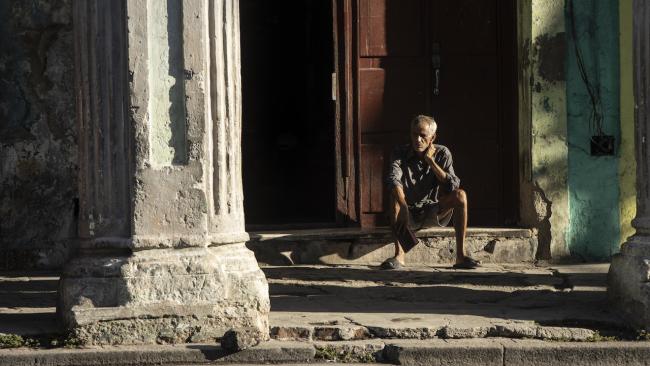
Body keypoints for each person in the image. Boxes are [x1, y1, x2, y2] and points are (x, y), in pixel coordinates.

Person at [381, 115, 479, 270]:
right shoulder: (399, 152)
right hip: (408, 212)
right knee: (394, 195)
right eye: (414, 134)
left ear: (433, 137)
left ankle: (461, 256)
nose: (417, 140)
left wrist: (431, 162)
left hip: (433, 210)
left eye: (423, 136)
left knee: (461, 195)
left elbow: (452, 185)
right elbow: (393, 179)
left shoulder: (442, 153)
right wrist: (404, 206)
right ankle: (399, 255)